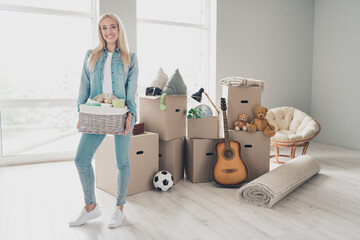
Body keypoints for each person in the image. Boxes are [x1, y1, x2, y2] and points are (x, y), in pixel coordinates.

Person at [69, 13, 138, 228]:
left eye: (113, 27)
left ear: (119, 30)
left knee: (122, 162)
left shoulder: (130, 57)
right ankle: (91, 207)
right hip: (96, 113)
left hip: (121, 114)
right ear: (100, 31)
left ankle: (119, 209)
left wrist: (131, 116)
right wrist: (80, 111)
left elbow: (131, 91)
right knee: (81, 159)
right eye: (104, 28)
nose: (108, 32)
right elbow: (84, 86)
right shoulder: (91, 55)